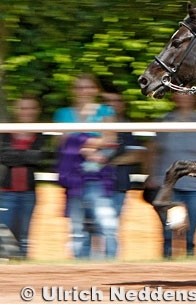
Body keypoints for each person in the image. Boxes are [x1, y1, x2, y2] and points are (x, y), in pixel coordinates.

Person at [53, 74, 120, 259]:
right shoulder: (63, 113)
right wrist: (92, 142)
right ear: (73, 91)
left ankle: (114, 265)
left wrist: (80, 142)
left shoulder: (106, 111)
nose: (83, 91)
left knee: (107, 224)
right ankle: (79, 266)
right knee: (77, 227)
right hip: (74, 177)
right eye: (79, 87)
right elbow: (61, 141)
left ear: (95, 90)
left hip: (98, 176)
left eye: (87, 87)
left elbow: (111, 140)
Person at [146, 93, 196, 258]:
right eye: (179, 94)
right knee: (169, 230)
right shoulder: (163, 121)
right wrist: (151, 175)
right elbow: (153, 151)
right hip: (169, 184)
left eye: (187, 94)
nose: (183, 97)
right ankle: (167, 262)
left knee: (191, 232)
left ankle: (190, 263)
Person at [0, 95, 46, 258]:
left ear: (37, 110)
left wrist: (17, 156)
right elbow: (4, 156)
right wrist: (27, 156)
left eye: (31, 108)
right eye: (23, 108)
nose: (27, 112)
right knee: (4, 234)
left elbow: (39, 158)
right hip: (6, 192)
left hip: (28, 192)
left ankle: (23, 270)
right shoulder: (5, 131)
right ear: (17, 110)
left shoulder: (41, 133)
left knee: (25, 235)